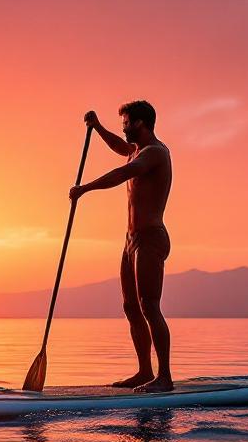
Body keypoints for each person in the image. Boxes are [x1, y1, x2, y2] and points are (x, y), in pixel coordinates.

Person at [70, 101, 173, 392]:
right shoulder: (135, 150)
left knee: (149, 306)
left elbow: (122, 174)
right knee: (130, 306)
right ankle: (144, 371)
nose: (123, 128)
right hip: (130, 241)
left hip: (151, 237)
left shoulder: (155, 153)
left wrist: (84, 189)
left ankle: (164, 377)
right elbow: (119, 147)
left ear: (140, 123)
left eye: (126, 123)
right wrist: (97, 126)